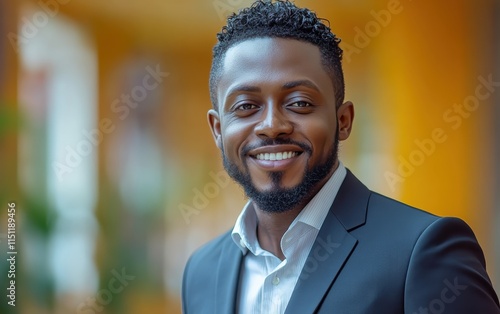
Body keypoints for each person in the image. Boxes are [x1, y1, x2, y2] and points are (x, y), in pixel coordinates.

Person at [181, 1, 500, 313]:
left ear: (343, 120)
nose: (272, 126)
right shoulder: (201, 272)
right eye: (246, 106)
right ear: (218, 129)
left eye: (300, 103)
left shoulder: (423, 252)